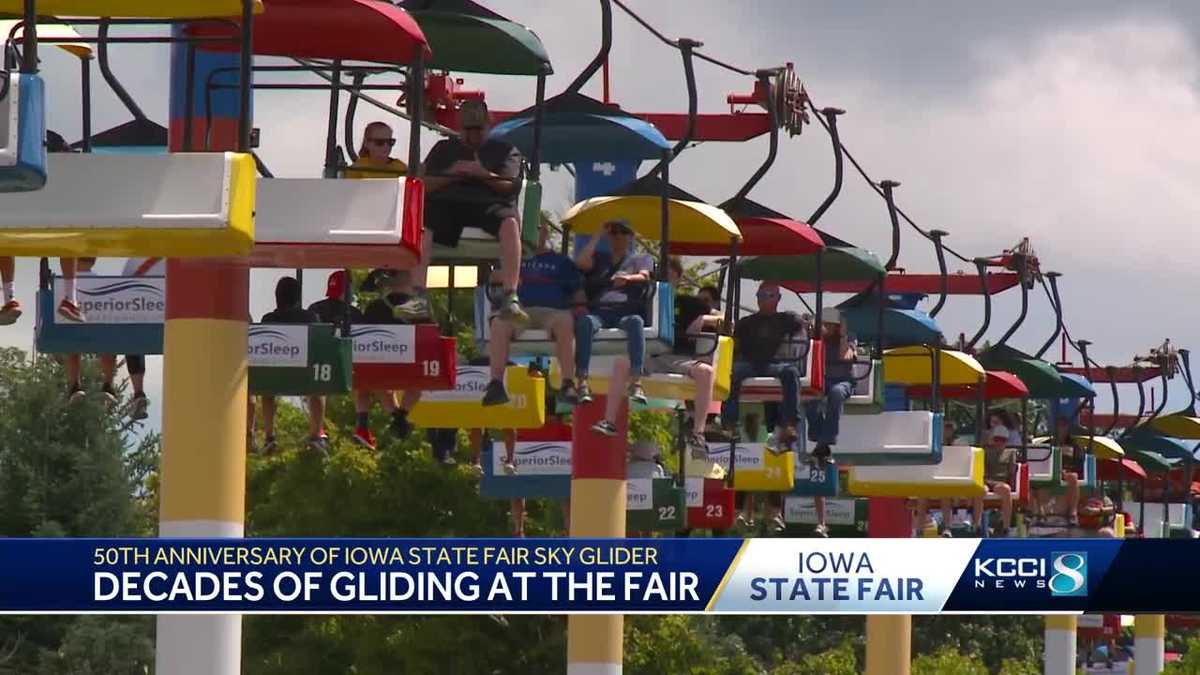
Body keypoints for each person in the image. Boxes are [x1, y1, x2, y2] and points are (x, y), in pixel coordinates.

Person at [421, 99, 526, 324]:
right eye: (468, 129)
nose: (473, 135)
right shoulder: (443, 150)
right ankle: (418, 293)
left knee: (509, 222)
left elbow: (509, 185)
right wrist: (452, 172)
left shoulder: (505, 150)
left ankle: (510, 294)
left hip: (488, 205)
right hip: (449, 204)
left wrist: (482, 173)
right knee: (423, 222)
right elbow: (423, 185)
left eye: (478, 129)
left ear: (488, 125)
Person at [483, 221, 583, 406]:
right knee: (499, 322)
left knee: (565, 321)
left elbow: (578, 292)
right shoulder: (514, 254)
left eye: (537, 228)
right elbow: (493, 276)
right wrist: (509, 276)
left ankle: (568, 382)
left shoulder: (561, 262)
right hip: (520, 309)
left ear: (545, 231)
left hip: (553, 311)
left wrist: (580, 311)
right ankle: (496, 383)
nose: (534, 232)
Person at [574, 218, 655, 415]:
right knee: (585, 322)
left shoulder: (639, 259)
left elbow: (645, 275)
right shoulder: (600, 259)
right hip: (601, 310)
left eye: (622, 232)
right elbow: (581, 262)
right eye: (614, 233)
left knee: (636, 322)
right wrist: (597, 235)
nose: (618, 236)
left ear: (630, 237)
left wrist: (627, 278)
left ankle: (636, 380)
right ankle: (582, 380)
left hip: (625, 310)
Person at [644, 256, 721, 456]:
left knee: (705, 372)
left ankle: (698, 431)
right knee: (620, 364)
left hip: (680, 358)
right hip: (652, 356)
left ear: (678, 278)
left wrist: (704, 318)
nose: (664, 280)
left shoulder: (688, 303)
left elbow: (724, 318)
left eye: (668, 276)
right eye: (660, 275)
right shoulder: (646, 300)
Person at [722, 281, 808, 449]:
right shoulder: (746, 322)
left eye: (769, 295)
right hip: (749, 363)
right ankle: (729, 423)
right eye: (761, 296)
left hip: (774, 364)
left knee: (790, 372)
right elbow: (735, 344)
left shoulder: (786, 319)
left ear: (778, 298)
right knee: (732, 372)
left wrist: (811, 325)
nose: (764, 300)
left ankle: (788, 424)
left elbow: (805, 326)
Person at [253, 276, 327, 454]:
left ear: (277, 297)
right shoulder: (310, 317)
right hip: (305, 376)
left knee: (266, 390)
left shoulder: (268, 319)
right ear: (297, 297)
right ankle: (316, 433)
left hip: (275, 378)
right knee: (319, 389)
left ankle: (270, 435)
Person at [360, 268, 429, 440]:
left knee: (381, 384)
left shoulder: (374, 307)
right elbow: (430, 336)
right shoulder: (417, 307)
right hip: (410, 367)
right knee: (418, 383)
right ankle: (401, 415)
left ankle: (397, 416)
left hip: (379, 366)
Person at [804, 307, 857, 463]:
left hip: (843, 380)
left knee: (836, 393)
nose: (827, 327)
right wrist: (814, 332)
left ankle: (824, 441)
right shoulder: (816, 339)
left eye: (831, 324)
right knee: (810, 397)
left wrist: (842, 337)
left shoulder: (849, 338)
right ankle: (822, 443)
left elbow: (845, 357)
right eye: (824, 323)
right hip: (823, 380)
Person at [63, 258, 116, 403]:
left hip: (73, 332)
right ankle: (108, 384)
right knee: (110, 342)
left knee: (70, 342)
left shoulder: (63, 284)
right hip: (100, 332)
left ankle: (74, 385)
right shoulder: (104, 283)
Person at [121, 257, 163, 420]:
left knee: (130, 332)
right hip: (175, 320)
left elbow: (123, 290)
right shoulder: (180, 254)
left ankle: (138, 392)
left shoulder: (135, 260)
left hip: (142, 321)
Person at [973, 422, 1016, 537]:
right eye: (997, 439)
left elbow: (1012, 472)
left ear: (1006, 441)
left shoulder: (1010, 453)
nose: (999, 443)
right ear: (992, 439)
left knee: (1006, 490)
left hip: (1000, 483)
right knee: (980, 490)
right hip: (986, 480)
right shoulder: (984, 452)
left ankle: (1006, 527)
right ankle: (976, 526)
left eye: (1002, 440)